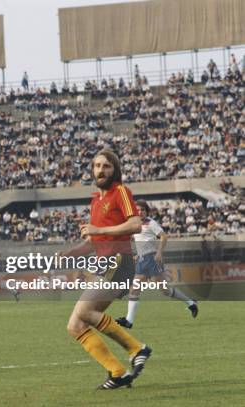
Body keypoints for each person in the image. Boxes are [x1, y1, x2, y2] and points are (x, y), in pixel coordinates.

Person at [59, 149, 151, 390]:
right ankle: (117, 372)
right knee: (75, 325)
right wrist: (69, 254)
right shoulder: (96, 200)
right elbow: (92, 242)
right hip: (106, 263)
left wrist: (98, 231)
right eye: (97, 166)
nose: (100, 170)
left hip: (120, 261)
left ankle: (136, 348)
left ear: (114, 169)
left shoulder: (120, 191)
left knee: (85, 311)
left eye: (106, 166)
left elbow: (135, 224)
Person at [116, 200, 198, 329]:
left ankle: (191, 302)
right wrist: (138, 254)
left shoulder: (151, 223)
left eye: (143, 210)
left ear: (146, 212)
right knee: (134, 289)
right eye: (138, 210)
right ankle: (129, 321)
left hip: (152, 260)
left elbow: (164, 237)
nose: (140, 212)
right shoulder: (136, 225)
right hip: (143, 260)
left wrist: (159, 252)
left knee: (165, 291)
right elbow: (142, 241)